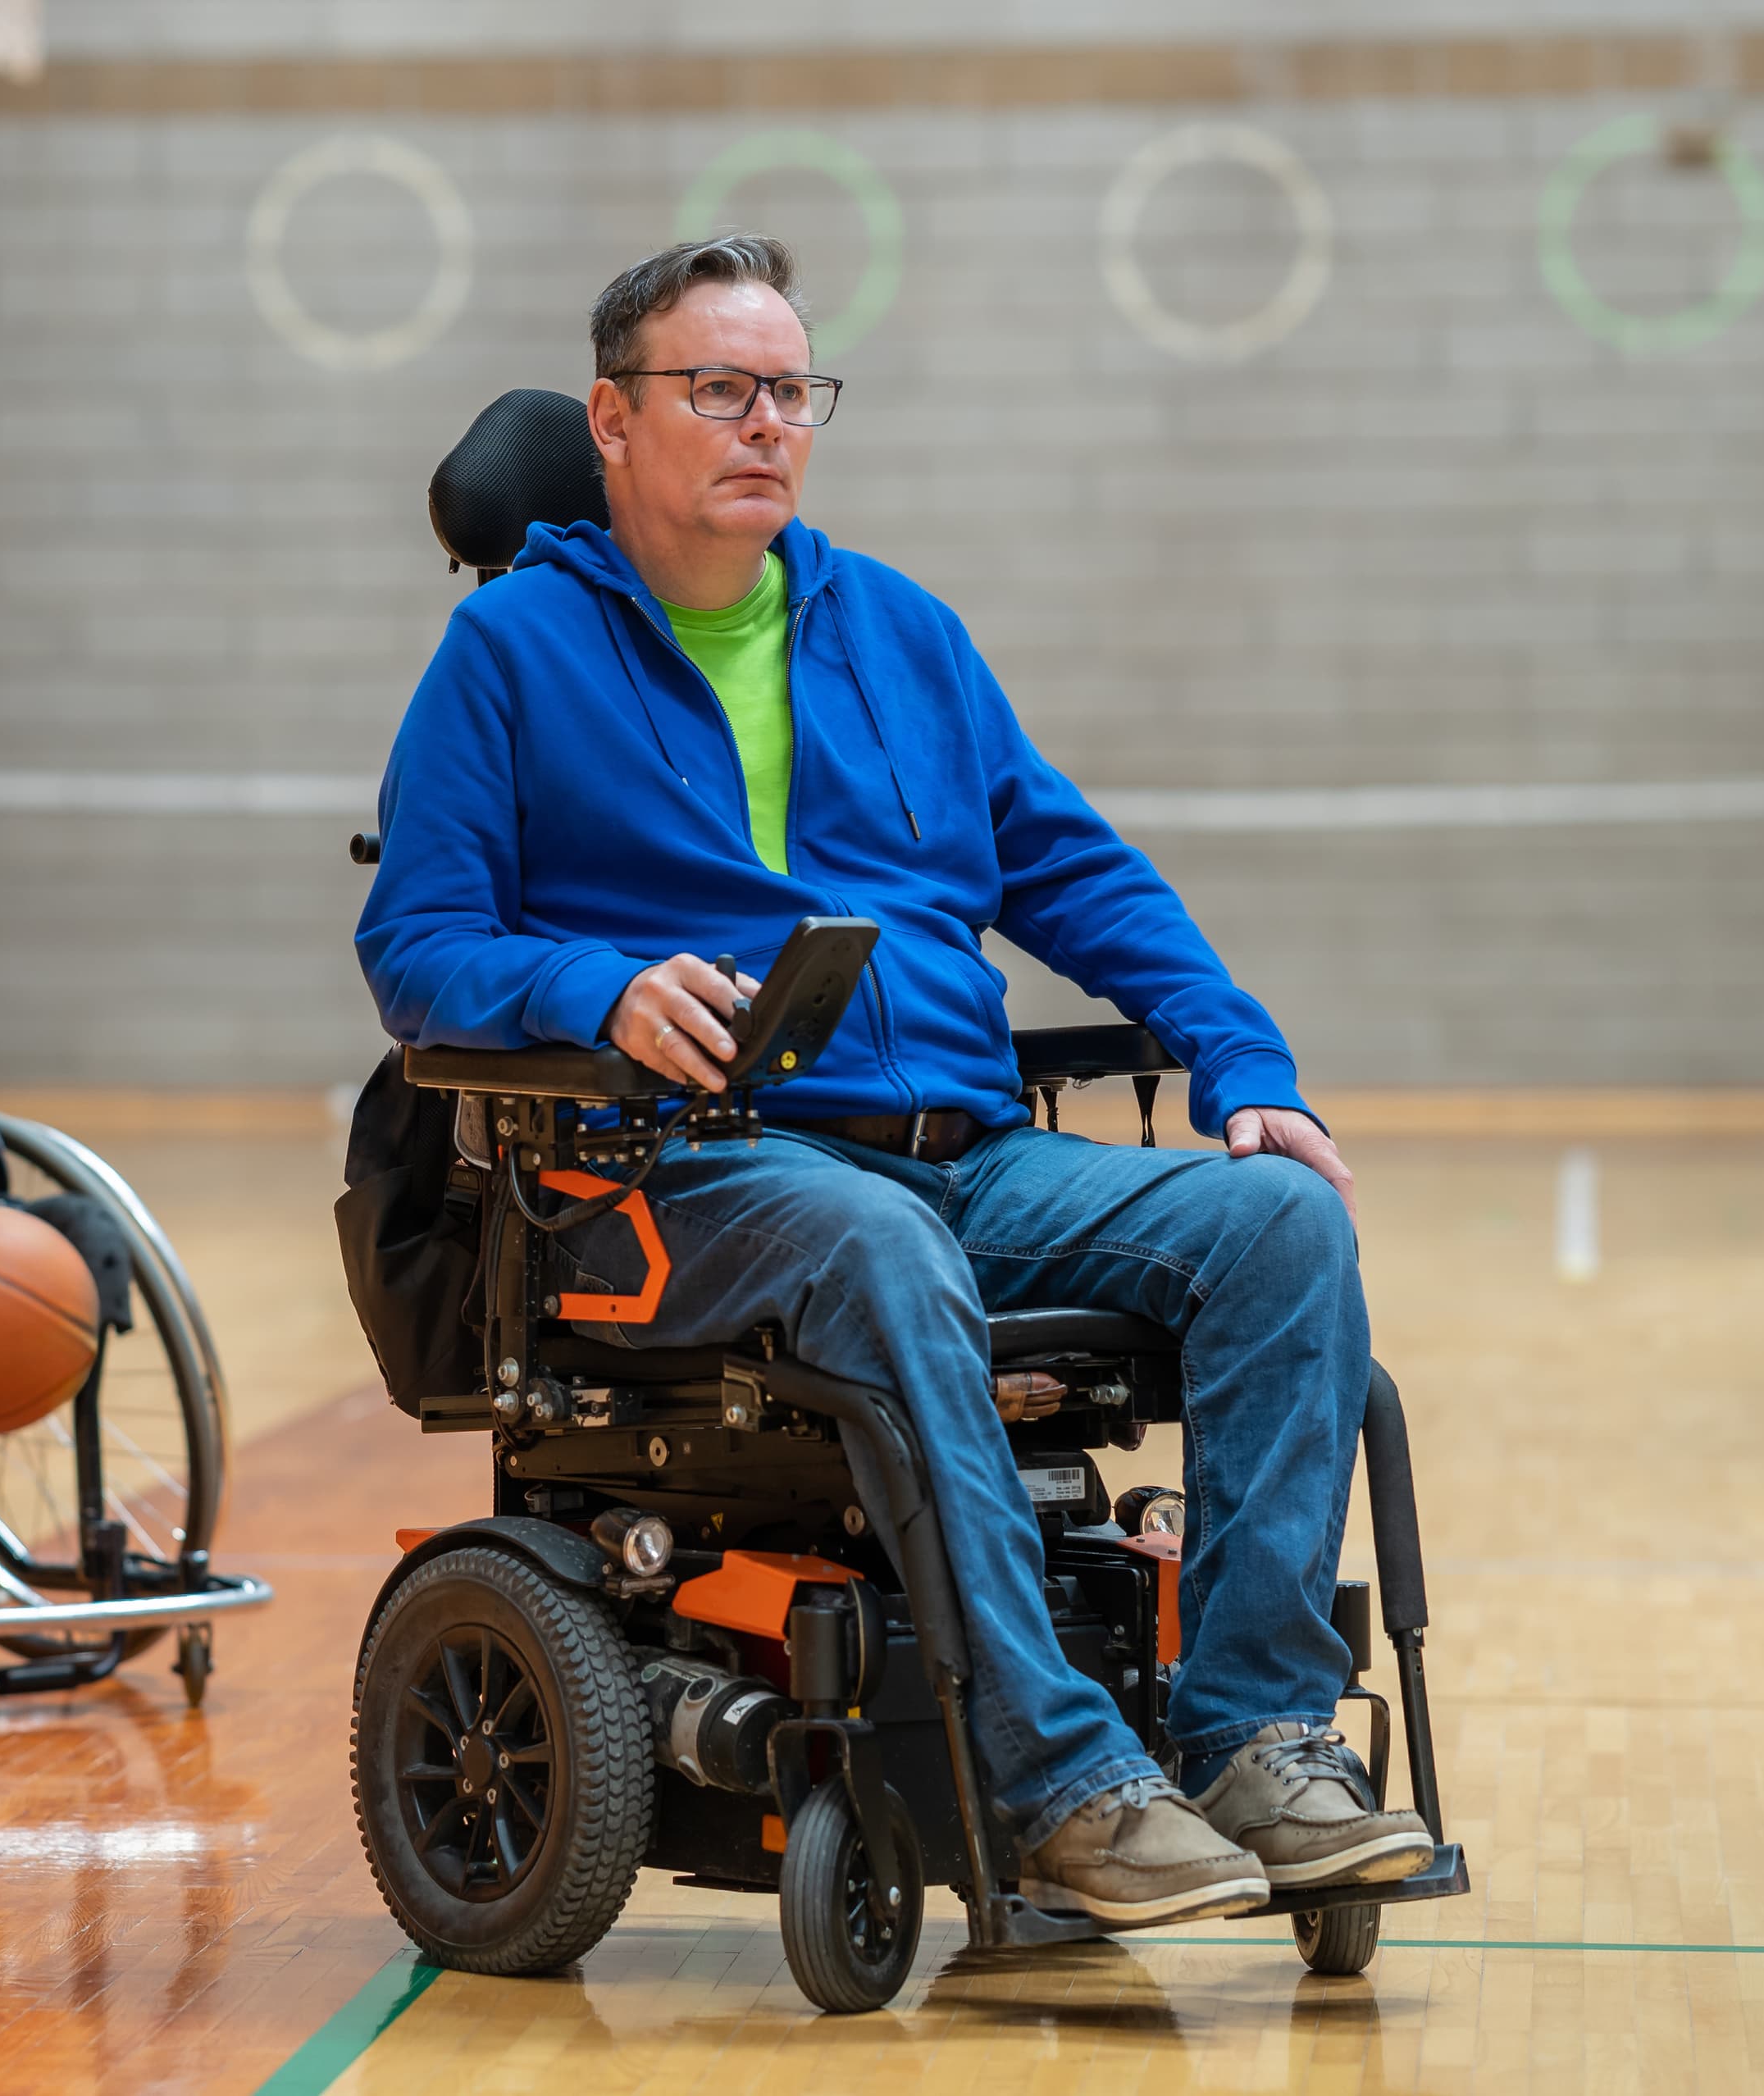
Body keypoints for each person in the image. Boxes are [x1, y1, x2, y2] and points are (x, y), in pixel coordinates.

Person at [354, 234, 1433, 1925]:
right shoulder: (510, 658)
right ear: (614, 421)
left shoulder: (904, 636)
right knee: (876, 1246)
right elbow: (416, 946)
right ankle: (1067, 1783)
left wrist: (1243, 1060)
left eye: (792, 390)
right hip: (685, 1169)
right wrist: (596, 985)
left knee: (1280, 1227)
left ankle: (1259, 1745)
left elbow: (1079, 876)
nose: (765, 422)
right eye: (719, 387)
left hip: (967, 1154)